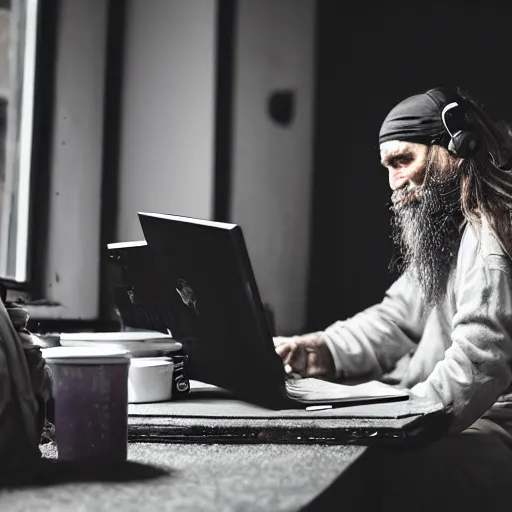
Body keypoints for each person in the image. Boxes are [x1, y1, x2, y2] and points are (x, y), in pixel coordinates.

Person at [274, 86, 512, 439]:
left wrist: (400, 423)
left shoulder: (490, 234)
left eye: (403, 161)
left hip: (489, 421)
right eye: (388, 167)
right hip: (440, 407)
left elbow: (480, 363)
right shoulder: (452, 227)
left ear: (461, 147)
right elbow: (399, 317)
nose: (393, 183)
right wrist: (320, 349)